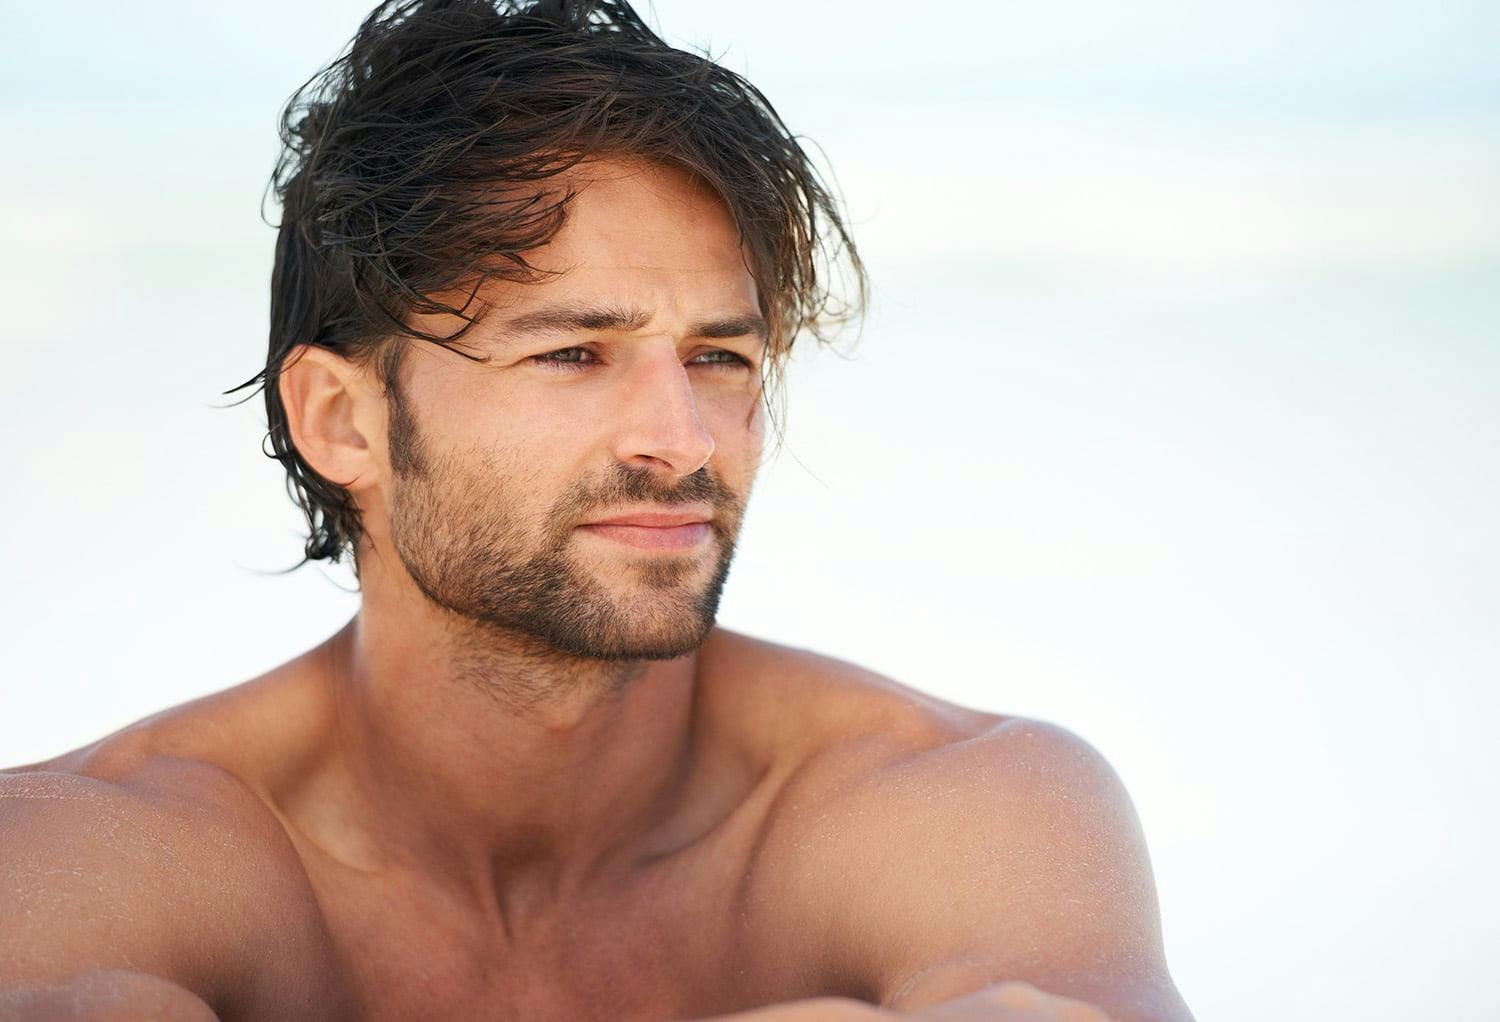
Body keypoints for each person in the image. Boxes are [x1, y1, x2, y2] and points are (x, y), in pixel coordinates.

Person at [0, 2, 1198, 1020]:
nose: (680, 439)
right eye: (575, 352)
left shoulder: (963, 810)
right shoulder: (86, 859)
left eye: (720, 359)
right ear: (342, 421)